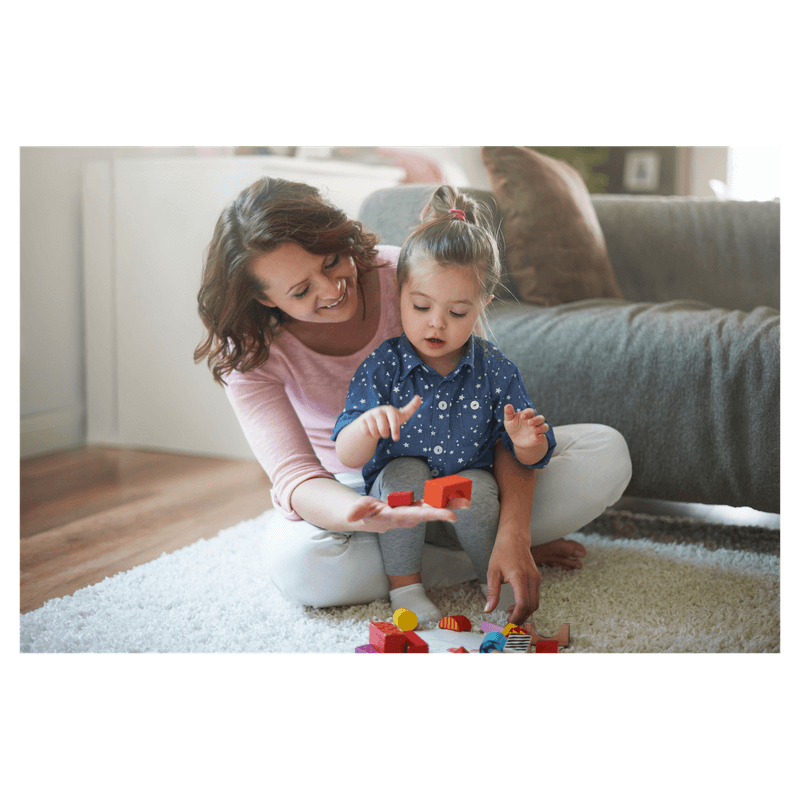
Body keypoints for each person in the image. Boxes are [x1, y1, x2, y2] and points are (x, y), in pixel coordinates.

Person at [195, 177, 631, 625]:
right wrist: (364, 515)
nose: (330, 290)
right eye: (301, 292)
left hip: (469, 478)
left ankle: (487, 550)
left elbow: (490, 417)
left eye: (331, 261)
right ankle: (453, 564)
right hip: (357, 489)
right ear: (263, 298)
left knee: (607, 453)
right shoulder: (248, 354)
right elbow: (298, 478)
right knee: (304, 567)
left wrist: (514, 532)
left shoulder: (414, 277)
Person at [331, 189, 557, 624]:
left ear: (481, 307)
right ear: (400, 294)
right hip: (401, 501)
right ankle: (406, 587)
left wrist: (526, 442)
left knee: (477, 488)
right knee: (403, 474)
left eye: (457, 312)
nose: (436, 323)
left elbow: (530, 458)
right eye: (421, 306)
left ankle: (488, 576)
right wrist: (368, 425)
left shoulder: (495, 368)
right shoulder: (384, 365)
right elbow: (347, 453)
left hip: (465, 498)